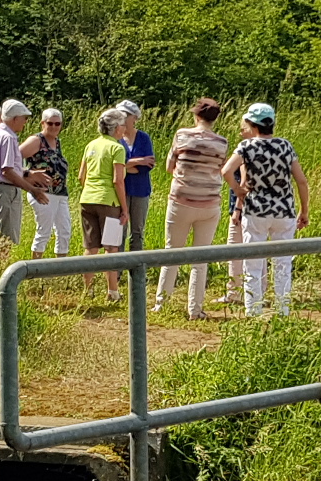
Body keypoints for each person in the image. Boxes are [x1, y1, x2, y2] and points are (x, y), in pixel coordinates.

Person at [220, 101, 309, 316]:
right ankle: (283, 310)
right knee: (283, 264)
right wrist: (304, 211)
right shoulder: (285, 146)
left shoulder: (246, 147)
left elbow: (226, 171)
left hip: (256, 211)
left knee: (253, 265)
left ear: (251, 124)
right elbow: (301, 181)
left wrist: (239, 191)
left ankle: (253, 312)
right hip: (284, 211)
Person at [154, 97, 229, 317]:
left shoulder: (182, 135)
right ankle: (195, 309)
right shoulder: (222, 143)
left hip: (181, 200)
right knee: (200, 259)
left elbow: (170, 166)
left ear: (196, 116)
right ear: (215, 118)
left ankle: (161, 303)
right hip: (209, 203)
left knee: (172, 252)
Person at [73, 108, 131, 299]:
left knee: (91, 246)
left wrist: (90, 189)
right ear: (116, 128)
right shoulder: (117, 148)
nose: (124, 129)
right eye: (122, 125)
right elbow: (118, 180)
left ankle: (88, 290)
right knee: (111, 247)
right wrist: (124, 208)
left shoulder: (91, 145)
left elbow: (82, 176)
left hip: (87, 198)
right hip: (108, 201)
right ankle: (112, 291)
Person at [0, 99, 40, 246]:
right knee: (6, 239)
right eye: (24, 118)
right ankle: (4, 268)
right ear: (15, 118)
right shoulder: (8, 138)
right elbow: (7, 170)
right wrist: (32, 189)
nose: (25, 122)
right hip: (7, 191)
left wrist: (27, 173)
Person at [22, 107, 72, 256]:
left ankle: (59, 270)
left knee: (64, 231)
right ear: (43, 123)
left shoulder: (57, 142)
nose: (54, 127)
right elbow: (13, 157)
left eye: (58, 124)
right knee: (44, 231)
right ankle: (36, 271)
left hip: (60, 193)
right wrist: (27, 174)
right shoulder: (36, 140)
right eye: (50, 123)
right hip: (42, 192)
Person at [114, 101, 156, 252]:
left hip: (140, 190)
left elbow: (147, 167)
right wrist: (137, 161)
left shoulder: (143, 138)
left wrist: (124, 166)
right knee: (119, 231)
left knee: (137, 232)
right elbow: (112, 167)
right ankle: (116, 273)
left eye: (126, 116)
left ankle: (136, 273)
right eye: (120, 116)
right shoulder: (115, 139)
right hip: (120, 190)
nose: (123, 119)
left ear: (135, 118)